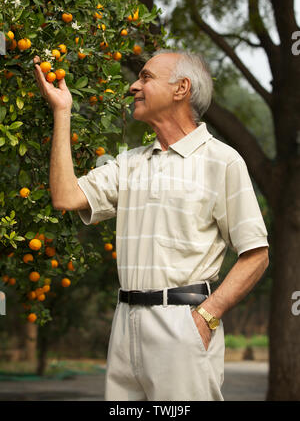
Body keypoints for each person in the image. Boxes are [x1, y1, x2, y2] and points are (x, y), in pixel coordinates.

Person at [33, 50, 269, 401]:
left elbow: (256, 254)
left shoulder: (222, 161)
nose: (133, 86)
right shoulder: (129, 163)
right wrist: (62, 111)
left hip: (183, 324)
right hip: (125, 324)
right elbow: (65, 197)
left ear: (181, 89)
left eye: (146, 77)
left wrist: (206, 316)